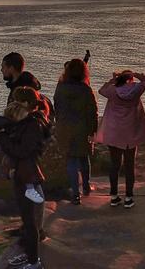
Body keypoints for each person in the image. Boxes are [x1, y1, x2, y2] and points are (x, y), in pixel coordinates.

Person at [0, 86, 50, 269]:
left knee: (30, 222)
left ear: (25, 103)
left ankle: (34, 262)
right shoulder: (29, 122)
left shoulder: (33, 124)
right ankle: (29, 255)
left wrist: (2, 137)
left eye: (16, 101)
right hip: (24, 176)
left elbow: (22, 151)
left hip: (28, 178)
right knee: (27, 220)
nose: (12, 103)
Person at [0, 52, 50, 242]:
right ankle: (30, 227)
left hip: (25, 144)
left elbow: (22, 117)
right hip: (24, 142)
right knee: (28, 187)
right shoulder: (22, 85)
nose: (1, 70)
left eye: (3, 66)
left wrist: (5, 135)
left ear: (12, 67)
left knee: (33, 187)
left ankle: (36, 231)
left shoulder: (23, 89)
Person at [98, 70, 145, 209]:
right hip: (131, 134)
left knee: (114, 165)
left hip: (114, 133)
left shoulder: (112, 90)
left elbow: (101, 90)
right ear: (131, 79)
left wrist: (114, 79)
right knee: (129, 166)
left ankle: (114, 196)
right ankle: (128, 198)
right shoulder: (136, 90)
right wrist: (135, 73)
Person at [53, 58, 98, 205]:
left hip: (64, 127)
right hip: (82, 128)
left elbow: (56, 107)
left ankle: (75, 193)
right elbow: (93, 112)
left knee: (70, 159)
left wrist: (59, 123)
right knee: (84, 157)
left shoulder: (61, 87)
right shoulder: (85, 89)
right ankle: (86, 186)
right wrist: (93, 130)